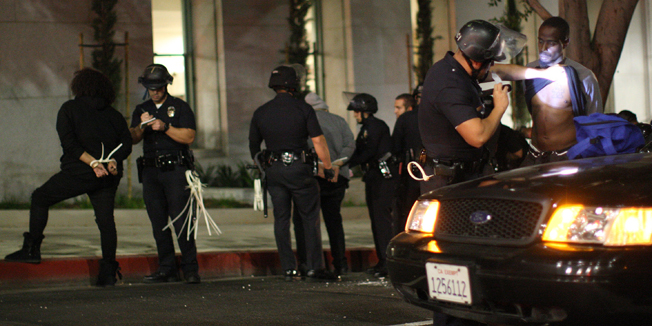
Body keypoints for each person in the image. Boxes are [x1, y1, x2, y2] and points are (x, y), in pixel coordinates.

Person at [4, 68, 132, 287]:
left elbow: (70, 145)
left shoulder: (69, 109)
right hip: (108, 176)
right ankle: (108, 271)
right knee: (105, 221)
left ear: (79, 87)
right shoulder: (114, 114)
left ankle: (31, 250)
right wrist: (112, 161)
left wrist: (92, 163)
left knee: (40, 198)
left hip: (79, 173)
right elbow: (126, 143)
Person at [249, 66, 336, 281]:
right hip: (300, 170)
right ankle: (314, 267)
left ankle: (289, 268)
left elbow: (253, 145)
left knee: (281, 220)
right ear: (293, 84)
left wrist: (263, 165)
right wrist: (328, 166)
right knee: (309, 219)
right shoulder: (303, 109)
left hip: (275, 171)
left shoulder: (261, 111)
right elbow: (318, 141)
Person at [129, 63, 200, 284]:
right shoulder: (142, 109)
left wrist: (165, 127)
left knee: (182, 221)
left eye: (158, 86)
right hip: (151, 171)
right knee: (158, 221)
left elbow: (189, 137)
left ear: (166, 85)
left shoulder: (179, 107)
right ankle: (167, 267)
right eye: (151, 87)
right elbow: (132, 138)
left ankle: (190, 269)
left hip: (176, 170)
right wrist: (142, 126)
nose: (155, 91)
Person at [521, 16, 603, 165]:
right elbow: (533, 112)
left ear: (565, 42)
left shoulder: (583, 76)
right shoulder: (529, 72)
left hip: (569, 155)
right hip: (535, 155)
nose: (543, 48)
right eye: (540, 41)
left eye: (551, 43)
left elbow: (594, 122)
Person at [292, 92, 355, 277]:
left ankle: (309, 263)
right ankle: (341, 264)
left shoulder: (304, 122)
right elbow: (349, 146)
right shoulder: (340, 121)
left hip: (313, 178)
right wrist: (336, 165)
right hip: (337, 178)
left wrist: (321, 166)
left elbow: (305, 149)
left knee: (307, 223)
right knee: (334, 222)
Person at [345, 93, 396, 278]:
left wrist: (347, 164)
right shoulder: (368, 127)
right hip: (373, 178)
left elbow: (368, 152)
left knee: (381, 221)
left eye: (356, 111)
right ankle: (383, 260)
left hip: (381, 179)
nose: (354, 115)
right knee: (376, 221)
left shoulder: (375, 126)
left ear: (364, 111)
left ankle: (387, 262)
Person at [391, 89, 422, 235]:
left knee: (407, 211)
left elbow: (395, 147)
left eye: (398, 108)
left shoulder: (405, 119)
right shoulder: (439, 115)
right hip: (436, 172)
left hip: (410, 172)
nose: (395, 111)